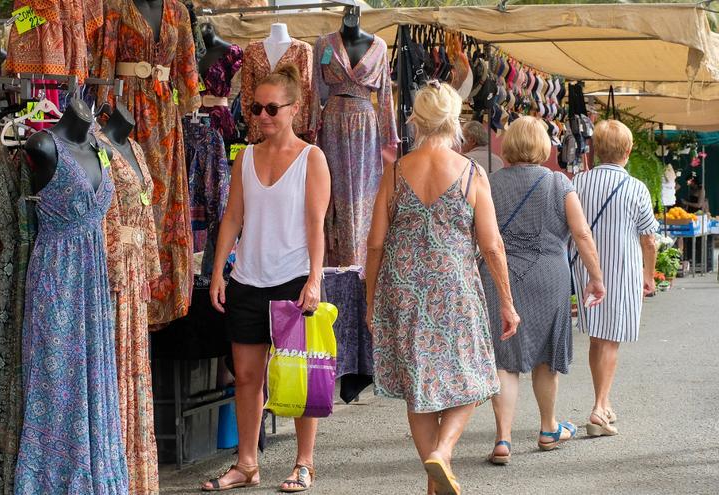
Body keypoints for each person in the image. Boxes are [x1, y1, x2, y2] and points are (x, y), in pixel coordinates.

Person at [366, 81, 520, 495]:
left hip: (403, 290)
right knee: (475, 375)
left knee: (419, 388)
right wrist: (507, 301)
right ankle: (444, 453)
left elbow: (376, 242)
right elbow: (491, 244)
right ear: (456, 120)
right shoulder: (471, 173)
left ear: (415, 120)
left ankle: (434, 480)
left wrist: (370, 302)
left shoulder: (396, 171)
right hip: (455, 288)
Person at [203, 64, 331, 492]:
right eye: (256, 108)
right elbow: (232, 218)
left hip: (292, 279)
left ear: (295, 109)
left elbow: (317, 225)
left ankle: (304, 463)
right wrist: (219, 270)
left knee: (299, 375)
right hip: (248, 279)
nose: (262, 116)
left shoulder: (312, 158)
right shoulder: (244, 156)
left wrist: (314, 279)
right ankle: (247, 463)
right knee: (246, 378)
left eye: (272, 108)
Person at [480, 117, 606, 465]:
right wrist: (595, 277)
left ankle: (503, 439)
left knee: (505, 360)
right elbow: (581, 235)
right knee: (546, 358)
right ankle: (548, 428)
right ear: (544, 147)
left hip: (499, 276)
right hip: (549, 276)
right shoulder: (557, 183)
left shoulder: (489, 183)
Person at [571, 119, 659, 436]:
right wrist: (649, 274)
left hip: (587, 270)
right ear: (628, 150)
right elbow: (649, 238)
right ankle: (598, 407)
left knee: (598, 338)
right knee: (610, 340)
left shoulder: (577, 182)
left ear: (594, 149)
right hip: (621, 271)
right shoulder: (636, 188)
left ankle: (603, 402)